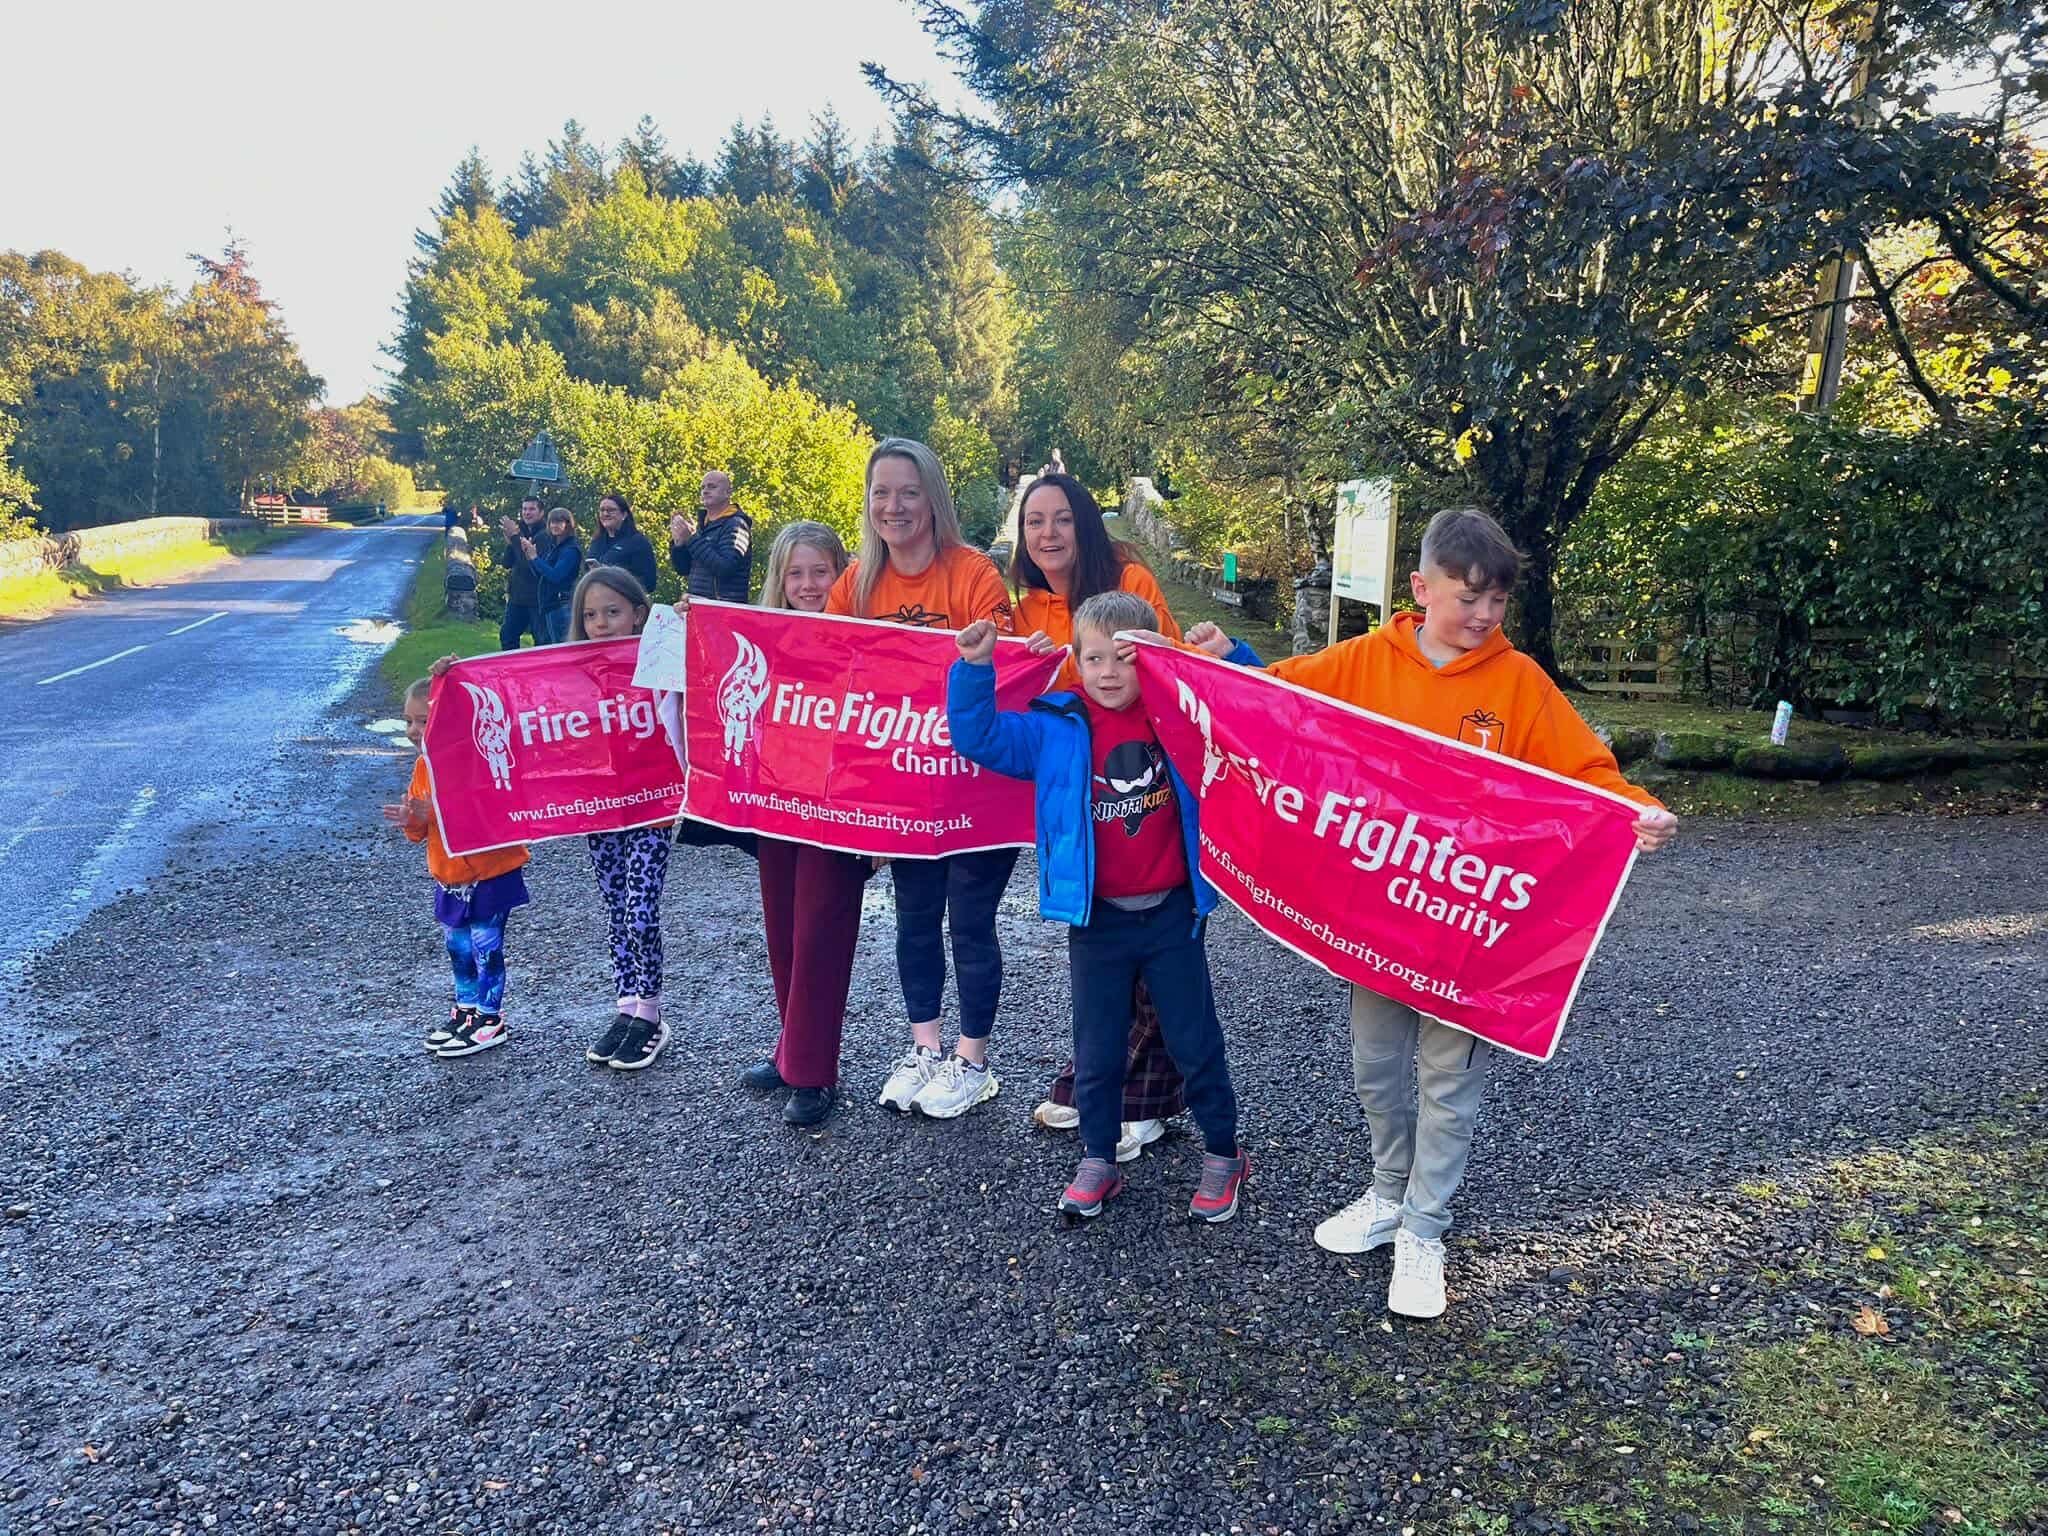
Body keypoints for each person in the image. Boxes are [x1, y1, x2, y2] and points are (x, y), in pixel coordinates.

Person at [1188, 506, 1679, 1318]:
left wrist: (1635, 809)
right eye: (1467, 598)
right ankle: (1387, 1191)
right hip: (1379, 920)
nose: (1482, 617)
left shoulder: (1518, 683)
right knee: (1376, 1067)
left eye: (1497, 603)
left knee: (1447, 1079)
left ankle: (1425, 1227)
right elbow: (1278, 702)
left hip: (1467, 928)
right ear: (1420, 588)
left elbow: (1583, 770)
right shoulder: (1366, 661)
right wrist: (1221, 664)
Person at [948, 591, 1257, 1221]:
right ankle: (1098, 1156)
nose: (1109, 672)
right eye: (1093, 659)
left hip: (1173, 913)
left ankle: (1224, 1153)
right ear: (1076, 663)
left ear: (1151, 657)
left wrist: (1229, 656)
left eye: (1124, 657)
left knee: (1194, 1039)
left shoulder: (1176, 715)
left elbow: (1252, 714)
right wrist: (974, 669)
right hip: (1099, 919)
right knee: (1097, 1047)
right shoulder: (1056, 729)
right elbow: (979, 737)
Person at [825, 437, 1017, 1119]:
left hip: (975, 788)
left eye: (908, 491)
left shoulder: (971, 573)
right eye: (881, 493)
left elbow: (1006, 667)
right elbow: (818, 669)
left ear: (932, 498)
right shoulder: (856, 583)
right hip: (902, 789)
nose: (894, 506)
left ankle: (973, 1060)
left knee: (968, 921)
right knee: (913, 921)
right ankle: (924, 1048)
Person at [1010, 472, 1191, 1161]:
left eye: (1060, 519)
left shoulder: (1131, 583)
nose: (1048, 534)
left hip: (1142, 788)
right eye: (1034, 522)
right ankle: (1109, 1087)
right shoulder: (1025, 610)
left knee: (1158, 962)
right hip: (1080, 809)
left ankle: (1136, 1103)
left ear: (1084, 521)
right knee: (1106, 960)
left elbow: (1170, 670)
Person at [733, 521, 873, 1128]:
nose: (809, 584)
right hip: (777, 805)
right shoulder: (763, 637)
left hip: (838, 809)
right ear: (778, 579)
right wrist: (685, 625)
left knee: (820, 935)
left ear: (841, 573)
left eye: (821, 571)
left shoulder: (861, 636)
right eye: (796, 573)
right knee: (784, 931)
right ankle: (792, 1048)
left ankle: (815, 1071)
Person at [382, 678, 531, 1059]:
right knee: (458, 949)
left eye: (423, 721)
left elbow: (489, 816)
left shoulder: (480, 761)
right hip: (450, 879)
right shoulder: (422, 767)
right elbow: (421, 831)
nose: (414, 732)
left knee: (487, 948)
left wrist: (436, 813)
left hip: (490, 874)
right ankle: (465, 1011)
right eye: (409, 722)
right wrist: (411, 820)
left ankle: (490, 1017)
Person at [568, 566, 675, 1072]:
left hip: (651, 807)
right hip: (602, 808)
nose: (601, 623)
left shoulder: (660, 664)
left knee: (640, 908)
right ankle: (626, 1006)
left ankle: (650, 1013)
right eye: (591, 615)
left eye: (612, 612)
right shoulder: (573, 673)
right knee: (615, 909)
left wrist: (684, 626)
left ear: (638, 613)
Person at [668, 470, 754, 601]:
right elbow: (683, 569)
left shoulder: (736, 524)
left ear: (728, 492)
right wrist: (679, 543)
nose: (705, 491)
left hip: (725, 609)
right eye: (702, 487)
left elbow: (725, 568)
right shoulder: (703, 526)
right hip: (699, 605)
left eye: (712, 486)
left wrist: (691, 539)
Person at [496, 497, 549, 651]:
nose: (527, 513)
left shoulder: (545, 535)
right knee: (507, 635)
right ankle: (512, 671)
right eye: (524, 509)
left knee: (541, 641)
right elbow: (507, 563)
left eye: (532, 509)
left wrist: (514, 538)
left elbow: (530, 566)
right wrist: (512, 540)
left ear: (541, 512)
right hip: (517, 597)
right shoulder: (521, 531)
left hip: (537, 598)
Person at [530, 507, 584, 644]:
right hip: (550, 604)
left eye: (559, 522)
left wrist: (535, 558)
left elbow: (556, 576)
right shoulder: (555, 547)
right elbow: (541, 574)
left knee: (561, 646)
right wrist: (531, 557)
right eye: (552, 522)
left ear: (568, 524)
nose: (555, 526)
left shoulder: (570, 549)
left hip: (561, 605)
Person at [589, 491, 659, 594]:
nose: (605, 514)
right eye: (602, 510)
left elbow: (649, 583)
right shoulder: (597, 542)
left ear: (624, 514)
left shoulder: (637, 542)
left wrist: (613, 576)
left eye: (611, 510)